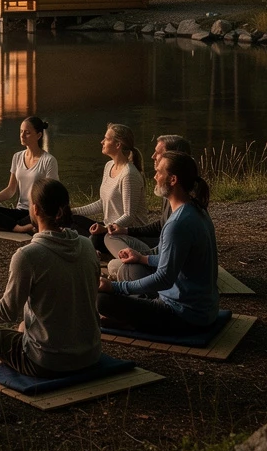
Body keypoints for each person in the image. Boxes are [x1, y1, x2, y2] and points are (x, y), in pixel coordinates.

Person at [0, 178, 101, 377]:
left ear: (35, 209)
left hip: (47, 362)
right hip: (91, 354)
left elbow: (6, 311)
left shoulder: (28, 255)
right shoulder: (88, 245)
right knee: (22, 326)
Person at [97, 151, 219, 336]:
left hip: (184, 315)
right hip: (202, 309)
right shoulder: (196, 210)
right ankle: (135, 314)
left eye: (160, 172)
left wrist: (115, 287)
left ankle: (132, 322)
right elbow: (173, 259)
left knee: (102, 300)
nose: (155, 175)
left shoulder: (178, 223)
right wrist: (141, 257)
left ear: (173, 180)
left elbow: (164, 278)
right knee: (131, 269)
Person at [104, 134, 191, 281]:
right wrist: (125, 230)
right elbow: (161, 225)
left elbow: (171, 261)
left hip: (168, 267)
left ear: (173, 157)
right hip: (160, 253)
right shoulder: (171, 190)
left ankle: (128, 267)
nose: (153, 156)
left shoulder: (183, 205)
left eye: (158, 153)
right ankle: (127, 262)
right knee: (109, 239)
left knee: (115, 266)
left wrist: (142, 259)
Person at [71, 123, 151, 255]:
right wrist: (74, 211)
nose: (102, 141)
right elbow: (103, 203)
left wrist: (105, 228)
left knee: (95, 239)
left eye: (106, 139)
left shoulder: (129, 174)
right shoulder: (109, 166)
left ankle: (92, 251)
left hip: (128, 234)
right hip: (109, 229)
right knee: (71, 218)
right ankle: (90, 250)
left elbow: (129, 216)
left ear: (118, 145)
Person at [0, 116, 58, 234]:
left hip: (37, 213)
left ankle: (15, 226)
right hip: (20, 211)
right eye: (21, 131)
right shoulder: (17, 157)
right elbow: (10, 190)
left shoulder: (49, 160)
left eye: (27, 133)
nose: (22, 136)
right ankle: (20, 227)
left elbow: (52, 194)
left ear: (38, 135)